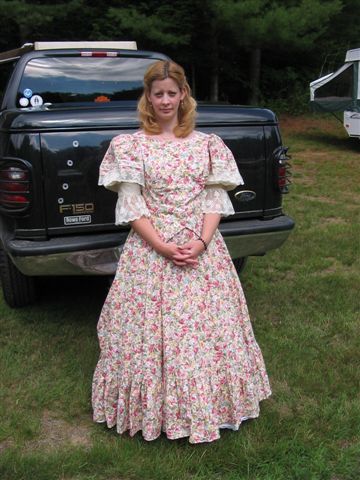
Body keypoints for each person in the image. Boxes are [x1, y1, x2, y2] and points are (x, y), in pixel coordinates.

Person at [92, 60, 271, 444]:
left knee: (208, 331)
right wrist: (160, 245)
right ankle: (155, 410)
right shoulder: (130, 145)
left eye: (172, 93)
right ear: (148, 97)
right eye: (158, 94)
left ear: (184, 95)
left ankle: (211, 406)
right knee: (148, 333)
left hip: (201, 248)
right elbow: (131, 203)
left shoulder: (207, 144)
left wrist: (202, 243)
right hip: (151, 249)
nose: (165, 100)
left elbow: (213, 199)